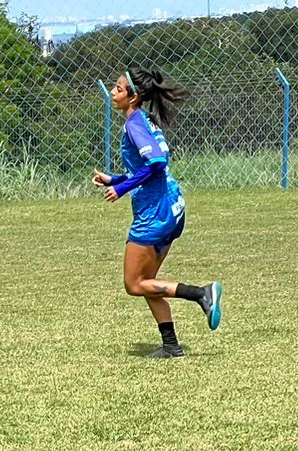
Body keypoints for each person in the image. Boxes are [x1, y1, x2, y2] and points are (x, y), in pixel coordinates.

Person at [93, 69, 222, 358]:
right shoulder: (145, 121)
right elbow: (147, 167)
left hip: (156, 214)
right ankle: (171, 346)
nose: (113, 92)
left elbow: (157, 162)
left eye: (118, 88)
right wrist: (114, 180)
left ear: (133, 97)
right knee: (149, 281)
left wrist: (123, 188)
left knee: (134, 283)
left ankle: (201, 294)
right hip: (172, 206)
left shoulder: (134, 125)